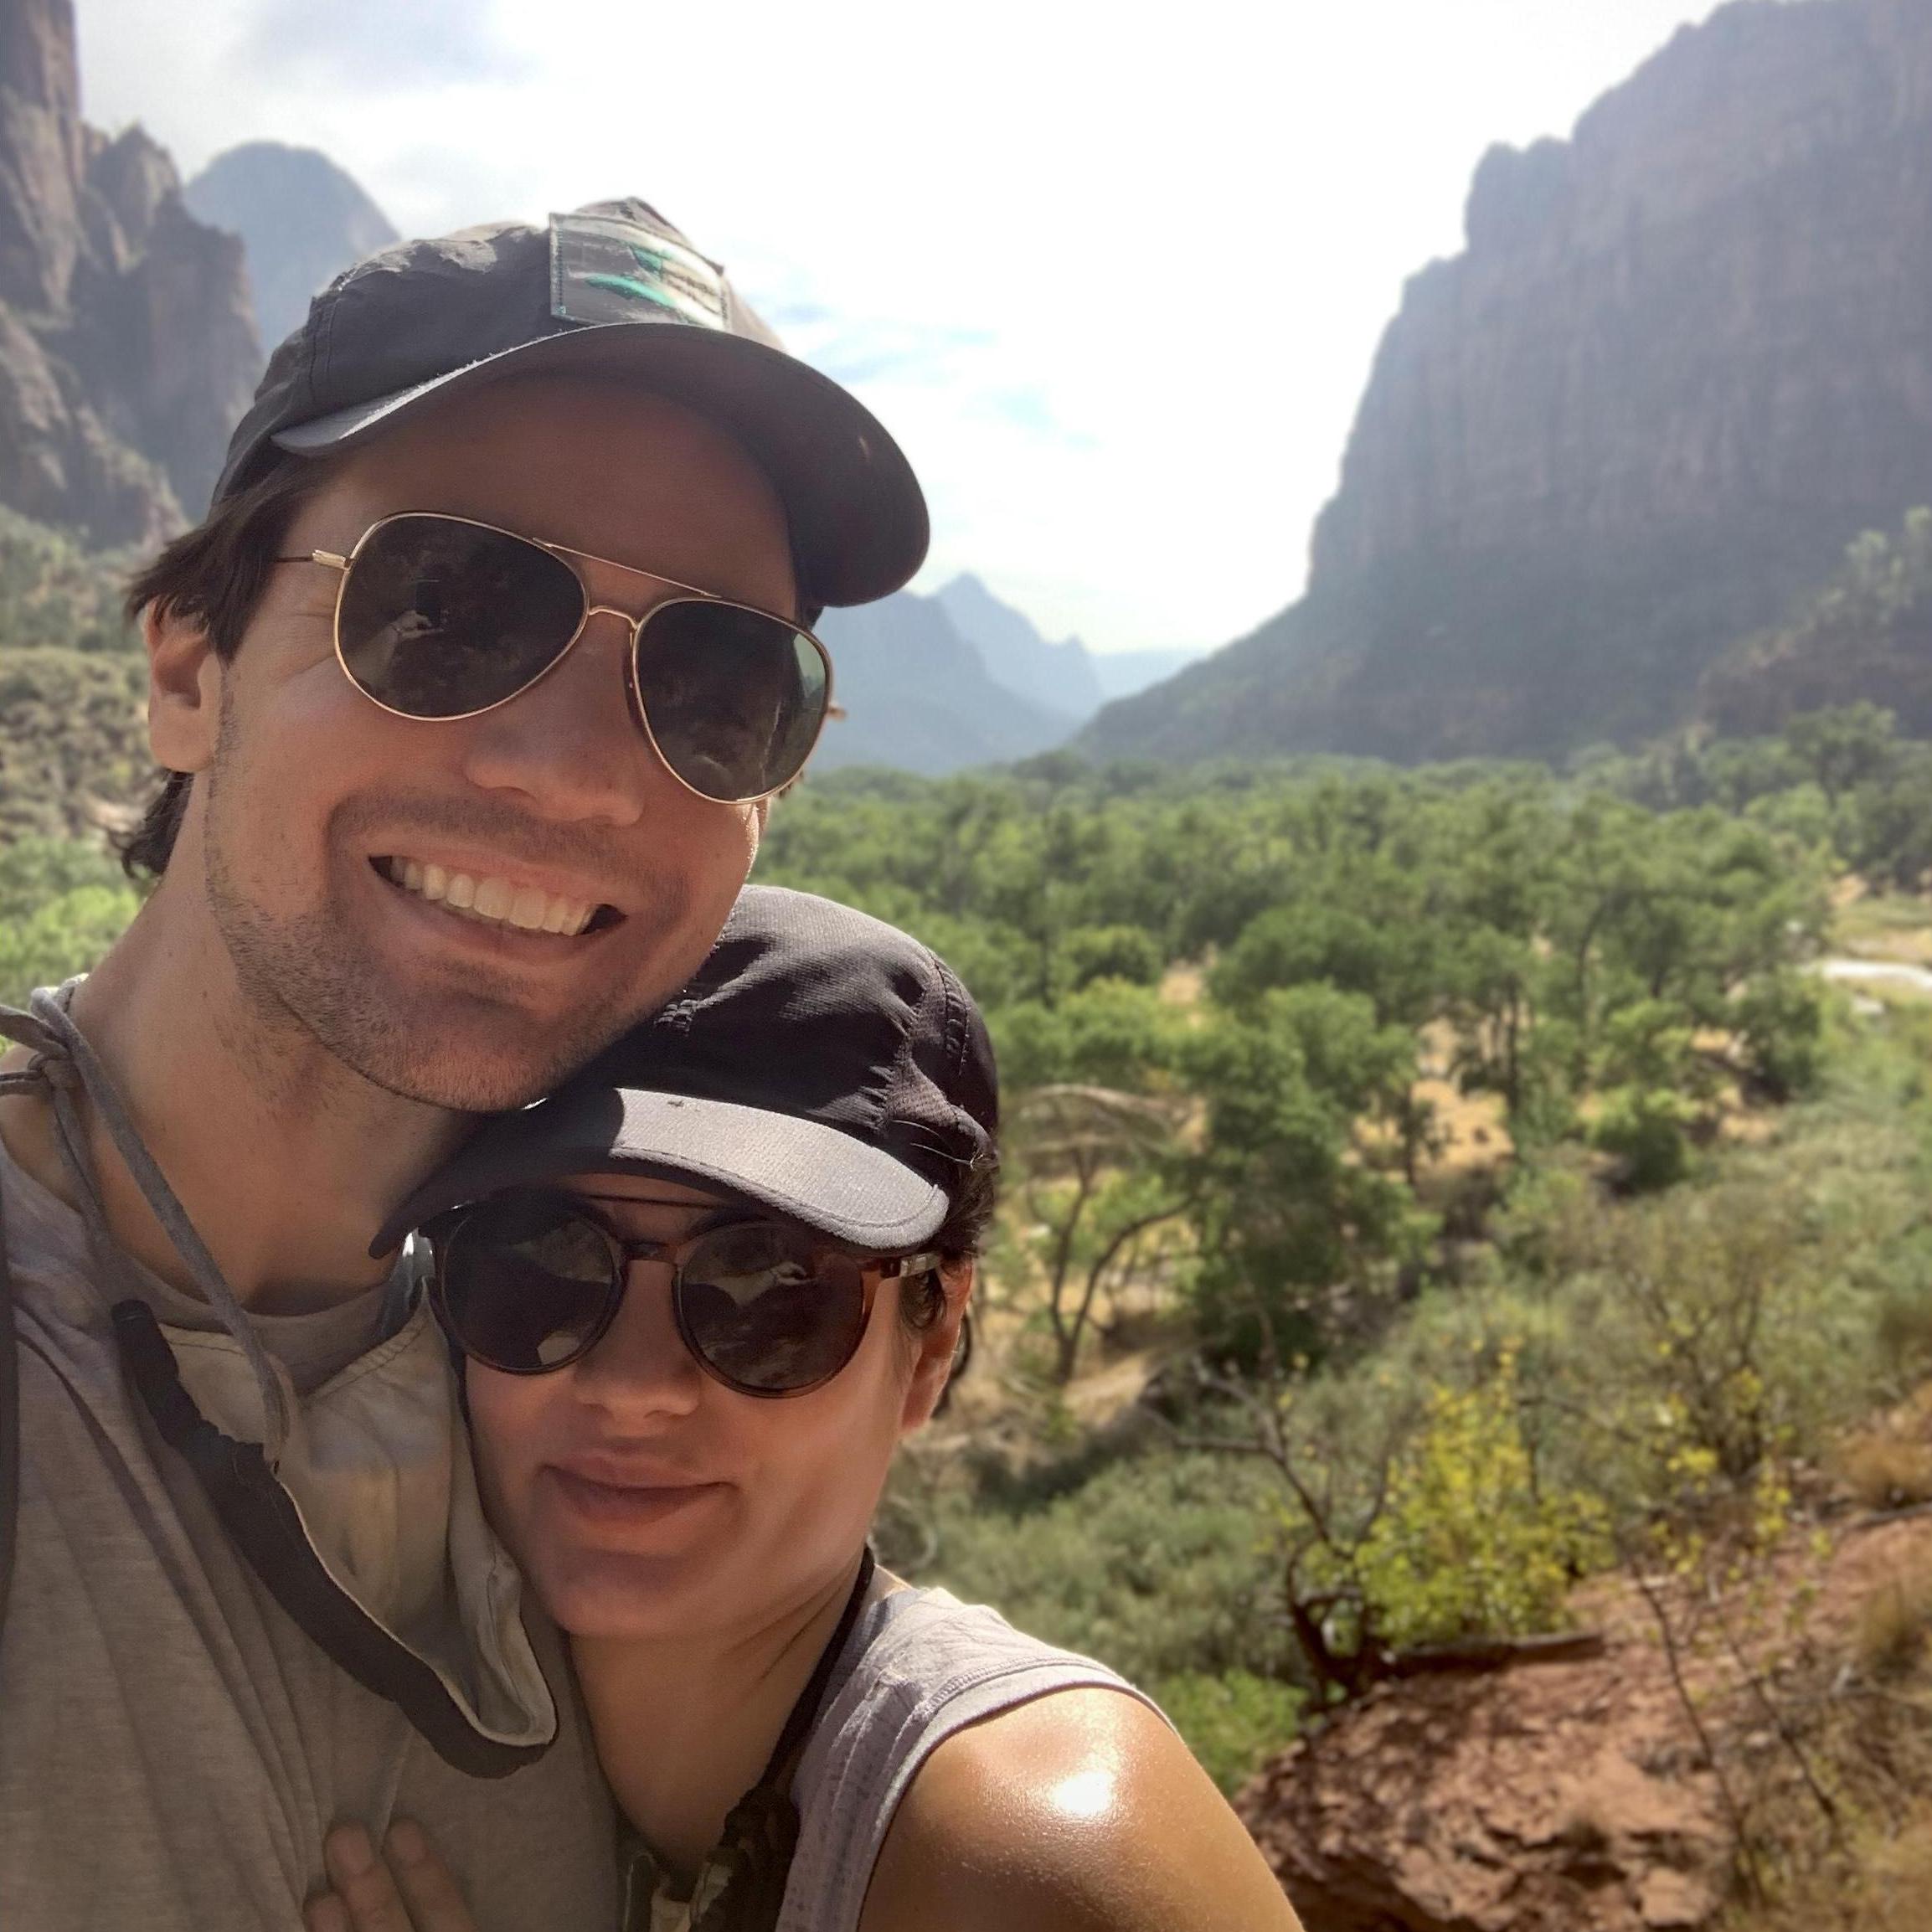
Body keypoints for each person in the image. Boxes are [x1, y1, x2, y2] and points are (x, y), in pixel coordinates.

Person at [0, 198, 926, 1929]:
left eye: (718, 682)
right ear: (191, 667)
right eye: (450, 603)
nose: (576, 775)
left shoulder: (612, 1375)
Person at [307, 887, 1305, 1932]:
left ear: (931, 1343)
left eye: (770, 1293)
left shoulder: (1028, 1854)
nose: (632, 1386)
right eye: (540, 1267)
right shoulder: (431, 1760)